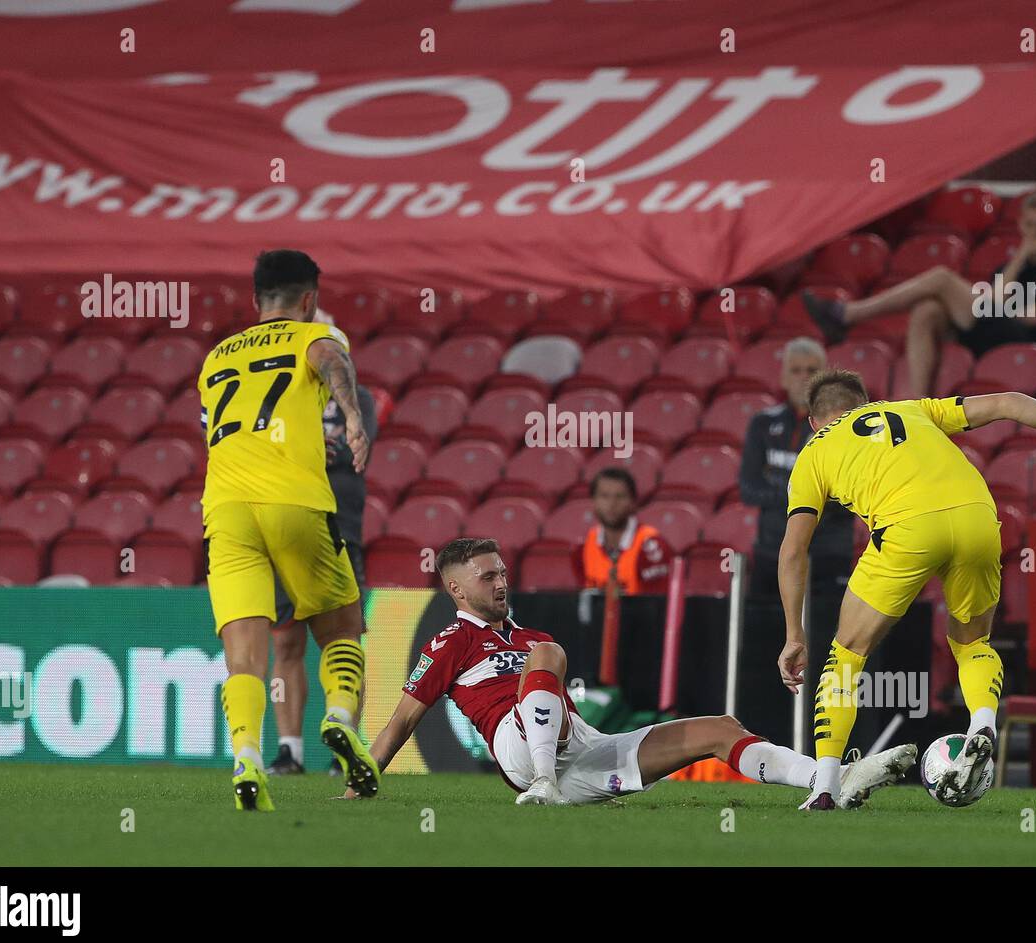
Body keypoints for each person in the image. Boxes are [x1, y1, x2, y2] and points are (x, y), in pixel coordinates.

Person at [776, 369, 1036, 810]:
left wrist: (794, 634)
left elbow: (794, 550)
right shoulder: (910, 409)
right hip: (977, 516)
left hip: (908, 526)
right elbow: (1009, 400)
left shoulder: (814, 451)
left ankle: (825, 788)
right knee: (972, 643)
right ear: (868, 401)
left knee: (847, 654)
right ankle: (983, 723)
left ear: (814, 421)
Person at [350, 538, 915, 807]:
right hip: (524, 757)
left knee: (719, 728)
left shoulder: (527, 635)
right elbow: (401, 720)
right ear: (455, 588)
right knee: (550, 655)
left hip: (581, 754)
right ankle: (543, 784)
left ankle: (827, 784)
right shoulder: (454, 639)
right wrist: (362, 782)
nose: (500, 583)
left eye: (502, 572)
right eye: (485, 577)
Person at [197, 248, 378, 811]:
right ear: (309, 300)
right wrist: (349, 413)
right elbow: (331, 360)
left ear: (255, 300)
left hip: (225, 510)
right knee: (343, 625)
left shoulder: (214, 358)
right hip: (294, 500)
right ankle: (341, 717)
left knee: (244, 654)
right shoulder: (310, 336)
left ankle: (248, 757)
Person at [804, 191, 1036, 396]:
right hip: (995, 333)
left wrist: (989, 308)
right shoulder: (1011, 267)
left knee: (941, 279)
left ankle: (849, 314)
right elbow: (998, 299)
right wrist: (1021, 256)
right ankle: (921, 406)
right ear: (1021, 226)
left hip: (1035, 340)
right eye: (1030, 225)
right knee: (927, 310)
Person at [267, 376, 377, 776]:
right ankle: (289, 751)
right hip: (284, 533)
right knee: (285, 644)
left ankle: (344, 744)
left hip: (340, 531)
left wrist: (298, 451)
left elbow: (354, 450)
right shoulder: (281, 397)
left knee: (346, 638)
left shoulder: (357, 397)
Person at [738, 337, 852, 595]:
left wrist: (782, 490)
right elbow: (748, 487)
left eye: (812, 371)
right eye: (796, 370)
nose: (803, 377)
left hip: (828, 554)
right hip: (773, 553)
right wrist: (808, 495)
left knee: (828, 633)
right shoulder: (762, 424)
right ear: (783, 378)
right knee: (765, 632)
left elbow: (845, 496)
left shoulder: (844, 425)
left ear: (824, 379)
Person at [576, 467, 672, 594]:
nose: (612, 503)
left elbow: (657, 606)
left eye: (620, 497)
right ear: (593, 501)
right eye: (604, 496)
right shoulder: (584, 545)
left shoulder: (652, 546)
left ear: (633, 502)